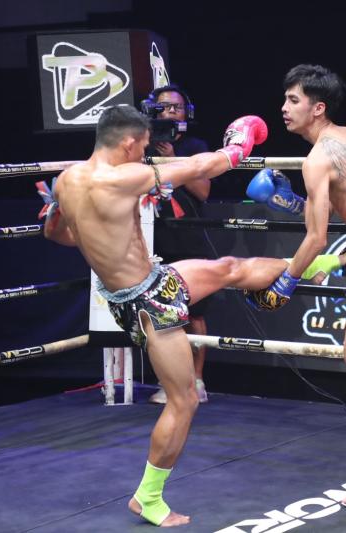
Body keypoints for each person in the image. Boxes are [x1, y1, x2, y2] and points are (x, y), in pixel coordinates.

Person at [41, 106, 340, 527]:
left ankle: (315, 264)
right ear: (128, 142)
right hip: (150, 304)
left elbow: (55, 233)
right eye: (144, 147)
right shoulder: (125, 177)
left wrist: (98, 233)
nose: (145, 154)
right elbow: (202, 166)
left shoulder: (67, 180)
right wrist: (238, 145)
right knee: (183, 401)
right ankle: (148, 497)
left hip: (147, 285)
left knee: (228, 269)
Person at [245, 64, 346, 506]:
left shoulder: (317, 158)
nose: (283, 108)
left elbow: (317, 237)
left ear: (317, 108)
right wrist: (293, 204)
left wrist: (285, 282)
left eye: (293, 100)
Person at [147, 84, 211, 405]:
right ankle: (172, 382)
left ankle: (197, 381)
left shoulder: (195, 146)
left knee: (193, 313)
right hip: (152, 236)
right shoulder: (143, 143)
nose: (171, 112)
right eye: (164, 107)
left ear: (187, 113)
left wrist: (173, 159)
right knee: (162, 314)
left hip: (189, 237)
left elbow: (203, 192)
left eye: (177, 107)